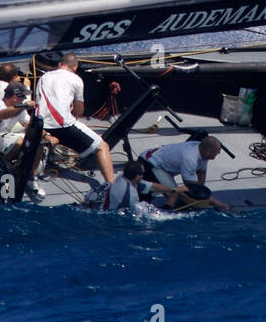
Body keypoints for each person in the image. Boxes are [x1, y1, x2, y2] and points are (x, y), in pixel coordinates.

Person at [35, 53, 114, 184]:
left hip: (40, 125)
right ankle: (111, 187)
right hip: (62, 126)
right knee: (102, 147)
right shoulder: (76, 79)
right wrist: (71, 109)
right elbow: (78, 112)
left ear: (60, 64)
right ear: (75, 67)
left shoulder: (44, 77)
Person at [139, 136, 229, 211]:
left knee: (183, 197)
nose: (218, 154)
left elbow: (201, 173)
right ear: (208, 152)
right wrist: (214, 202)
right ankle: (164, 213)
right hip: (150, 164)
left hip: (163, 165)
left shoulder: (203, 151)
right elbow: (191, 187)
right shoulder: (190, 158)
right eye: (217, 152)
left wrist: (200, 195)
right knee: (173, 195)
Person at [101, 159, 181, 211]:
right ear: (137, 176)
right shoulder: (130, 195)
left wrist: (172, 190)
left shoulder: (124, 177)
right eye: (143, 173)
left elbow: (152, 186)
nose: (144, 174)